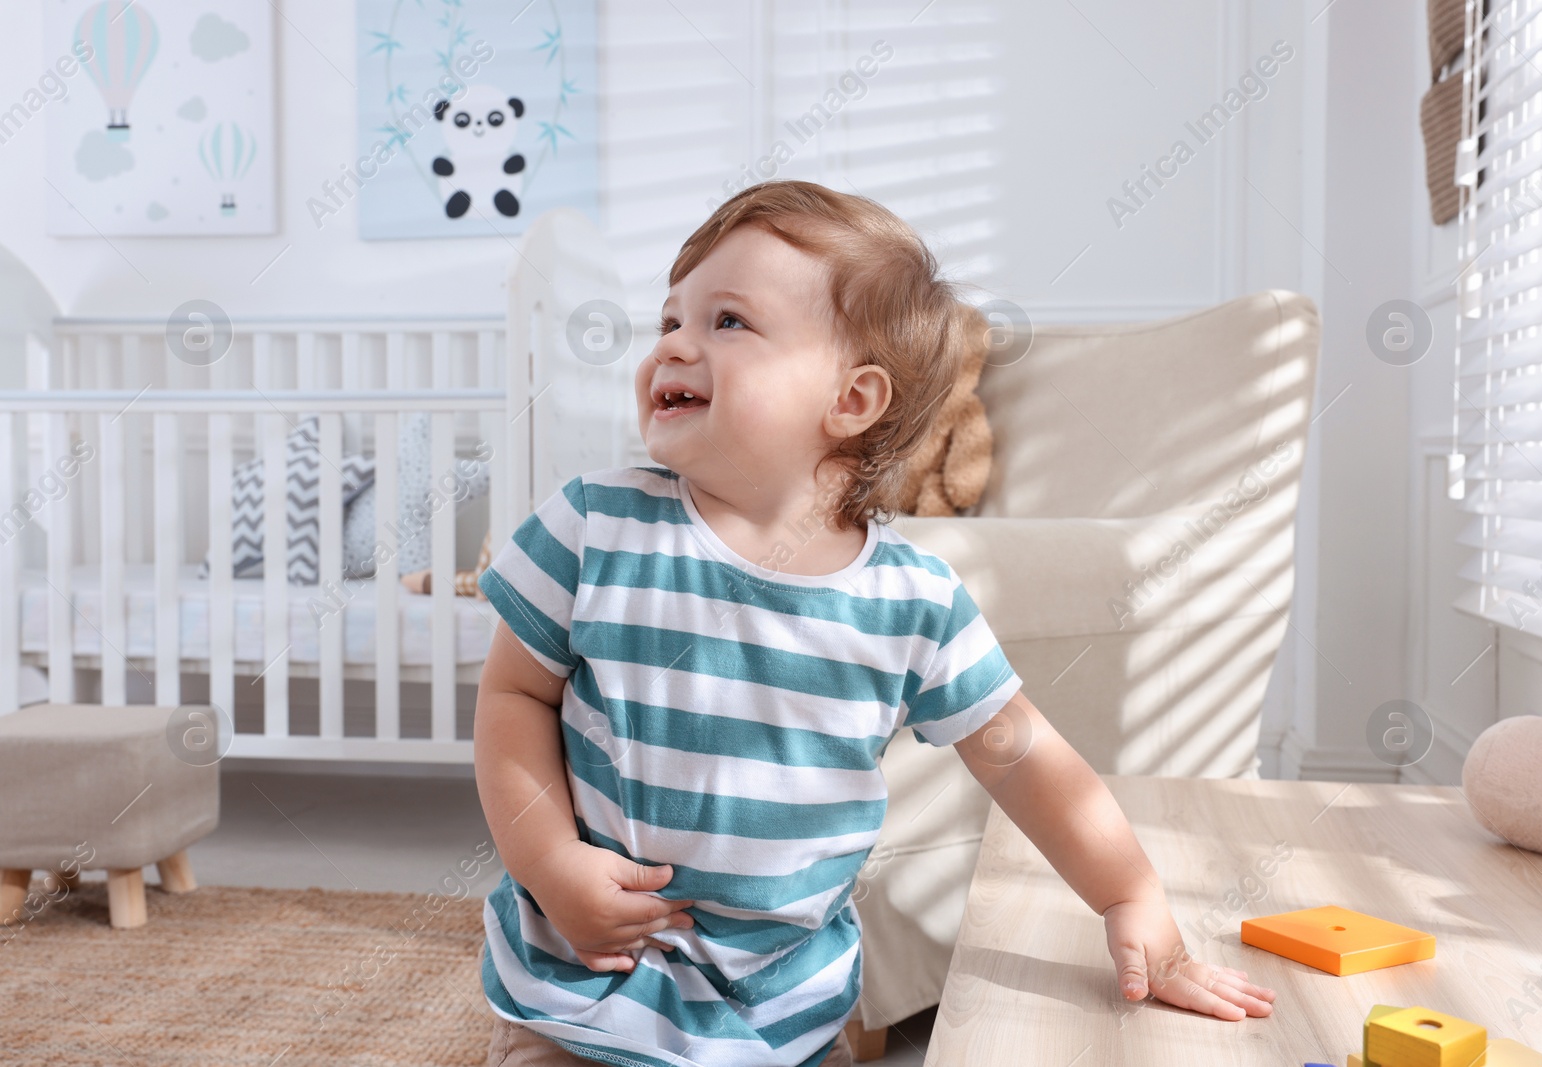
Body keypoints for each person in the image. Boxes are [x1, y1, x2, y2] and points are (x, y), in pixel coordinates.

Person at [473, 180, 1275, 1067]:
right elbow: (513, 696)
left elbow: (1027, 757)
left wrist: (1132, 900)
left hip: (786, 1003)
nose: (675, 347)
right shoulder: (593, 525)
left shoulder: (912, 601)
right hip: (593, 978)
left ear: (852, 401)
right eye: (670, 320)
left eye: (727, 321)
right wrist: (549, 861)